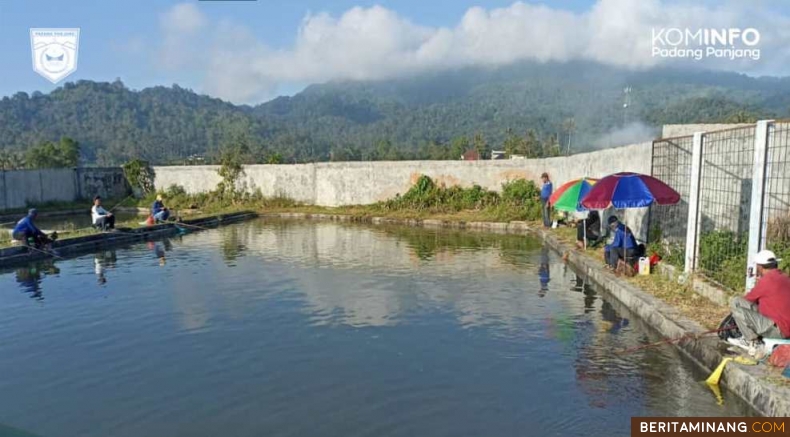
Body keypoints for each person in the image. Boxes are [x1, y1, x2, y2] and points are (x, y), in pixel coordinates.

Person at [728, 250, 790, 351]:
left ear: (760, 267)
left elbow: (748, 299)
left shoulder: (767, 281)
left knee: (737, 307)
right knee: (737, 301)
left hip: (778, 330)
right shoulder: (784, 277)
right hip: (783, 326)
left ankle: (752, 342)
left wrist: (758, 284)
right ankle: (752, 339)